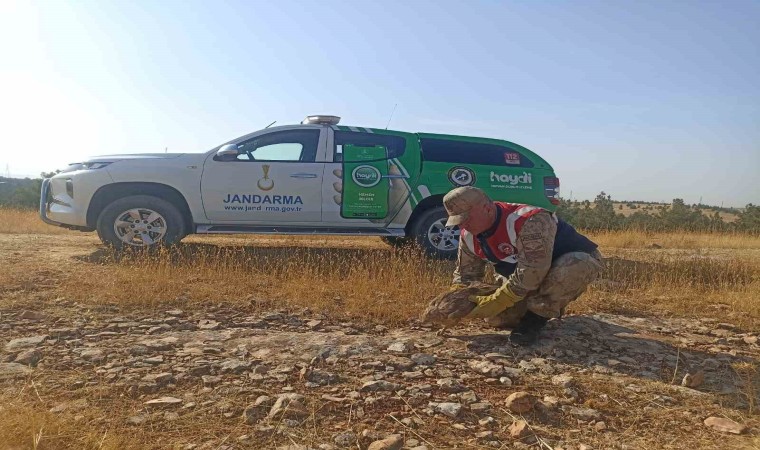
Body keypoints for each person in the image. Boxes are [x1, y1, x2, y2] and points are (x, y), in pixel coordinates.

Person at [444, 186, 604, 345]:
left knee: (576, 264)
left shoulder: (529, 219)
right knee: (496, 319)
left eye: (466, 219)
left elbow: (534, 269)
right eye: (458, 221)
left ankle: (537, 317)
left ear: (487, 208)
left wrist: (501, 298)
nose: (462, 226)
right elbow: (465, 276)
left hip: (568, 263)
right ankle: (545, 304)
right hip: (523, 278)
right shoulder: (469, 237)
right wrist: (454, 305)